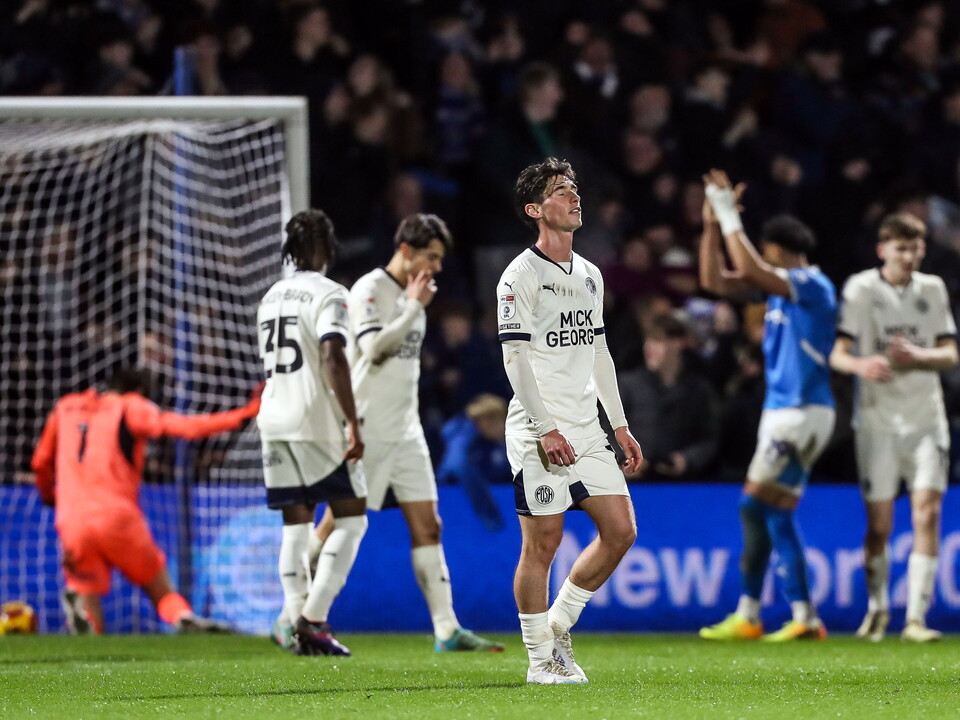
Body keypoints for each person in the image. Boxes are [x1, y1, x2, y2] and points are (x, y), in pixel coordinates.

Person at [313, 213, 503, 653]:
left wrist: (415, 303)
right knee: (337, 523)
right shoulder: (370, 290)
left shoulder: (413, 294)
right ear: (405, 251)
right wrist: (414, 306)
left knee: (429, 525)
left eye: (439, 259)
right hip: (368, 425)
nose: (436, 267)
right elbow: (373, 350)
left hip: (405, 429)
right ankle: (296, 614)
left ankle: (446, 629)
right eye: (430, 257)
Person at [497, 157, 643, 684]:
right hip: (540, 429)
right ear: (536, 210)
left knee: (621, 530)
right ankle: (540, 663)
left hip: (587, 427)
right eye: (561, 191)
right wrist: (544, 428)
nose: (574, 197)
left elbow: (599, 353)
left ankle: (558, 625)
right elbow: (515, 359)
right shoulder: (520, 276)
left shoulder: (590, 274)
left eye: (575, 189)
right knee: (543, 542)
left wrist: (619, 425)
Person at [698, 169, 836, 641]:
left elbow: (753, 269)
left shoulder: (811, 284)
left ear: (775, 250)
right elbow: (714, 280)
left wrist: (723, 209)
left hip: (796, 412)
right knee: (772, 512)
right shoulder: (782, 291)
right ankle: (802, 616)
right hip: (798, 413)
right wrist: (713, 227)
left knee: (751, 506)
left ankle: (751, 613)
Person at [31, 367, 260, 635]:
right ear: (140, 392)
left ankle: (85, 621)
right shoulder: (130, 407)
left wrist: (49, 496)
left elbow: (39, 463)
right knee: (158, 587)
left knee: (85, 589)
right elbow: (183, 427)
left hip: (71, 519)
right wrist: (243, 415)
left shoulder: (65, 408)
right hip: (116, 516)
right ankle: (181, 616)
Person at [829, 212, 959, 642]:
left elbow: (950, 354)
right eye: (900, 248)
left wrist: (917, 356)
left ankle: (917, 620)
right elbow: (838, 354)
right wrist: (863, 364)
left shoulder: (933, 289)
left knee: (928, 512)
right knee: (879, 526)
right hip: (878, 422)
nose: (909, 256)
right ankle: (878, 608)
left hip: (926, 419)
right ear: (882, 250)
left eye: (915, 248)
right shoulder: (862, 288)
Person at [256, 209, 367, 657]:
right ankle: (313, 618)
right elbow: (332, 355)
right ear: (326, 247)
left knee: (295, 525)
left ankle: (294, 618)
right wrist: (352, 421)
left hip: (273, 419)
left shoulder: (270, 296)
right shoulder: (331, 294)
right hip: (315, 420)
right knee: (352, 517)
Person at [617, 313, 720, 481]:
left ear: (677, 343)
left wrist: (686, 460)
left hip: (682, 484)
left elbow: (709, 438)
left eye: (658, 341)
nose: (649, 348)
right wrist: (626, 458)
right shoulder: (628, 385)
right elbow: (608, 430)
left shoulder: (699, 390)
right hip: (634, 482)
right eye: (648, 341)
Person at [436, 393, 512, 532]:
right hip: (454, 506)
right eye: (497, 421)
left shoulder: (498, 444)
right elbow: (458, 465)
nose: (502, 426)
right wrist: (487, 509)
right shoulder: (463, 437)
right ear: (484, 421)